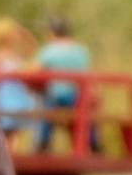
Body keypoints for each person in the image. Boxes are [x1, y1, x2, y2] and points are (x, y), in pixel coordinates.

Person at [32, 14, 91, 151]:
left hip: (56, 97)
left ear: (52, 33)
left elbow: (35, 70)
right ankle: (90, 143)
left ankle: (42, 141)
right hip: (77, 98)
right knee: (83, 111)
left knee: (42, 103)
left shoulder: (49, 50)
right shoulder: (81, 51)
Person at [0, 17, 38, 142]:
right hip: (5, 95)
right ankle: (6, 155)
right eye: (13, 33)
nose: (16, 36)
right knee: (4, 130)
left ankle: (11, 155)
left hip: (17, 94)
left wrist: (25, 34)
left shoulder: (14, 54)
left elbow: (33, 49)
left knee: (14, 132)